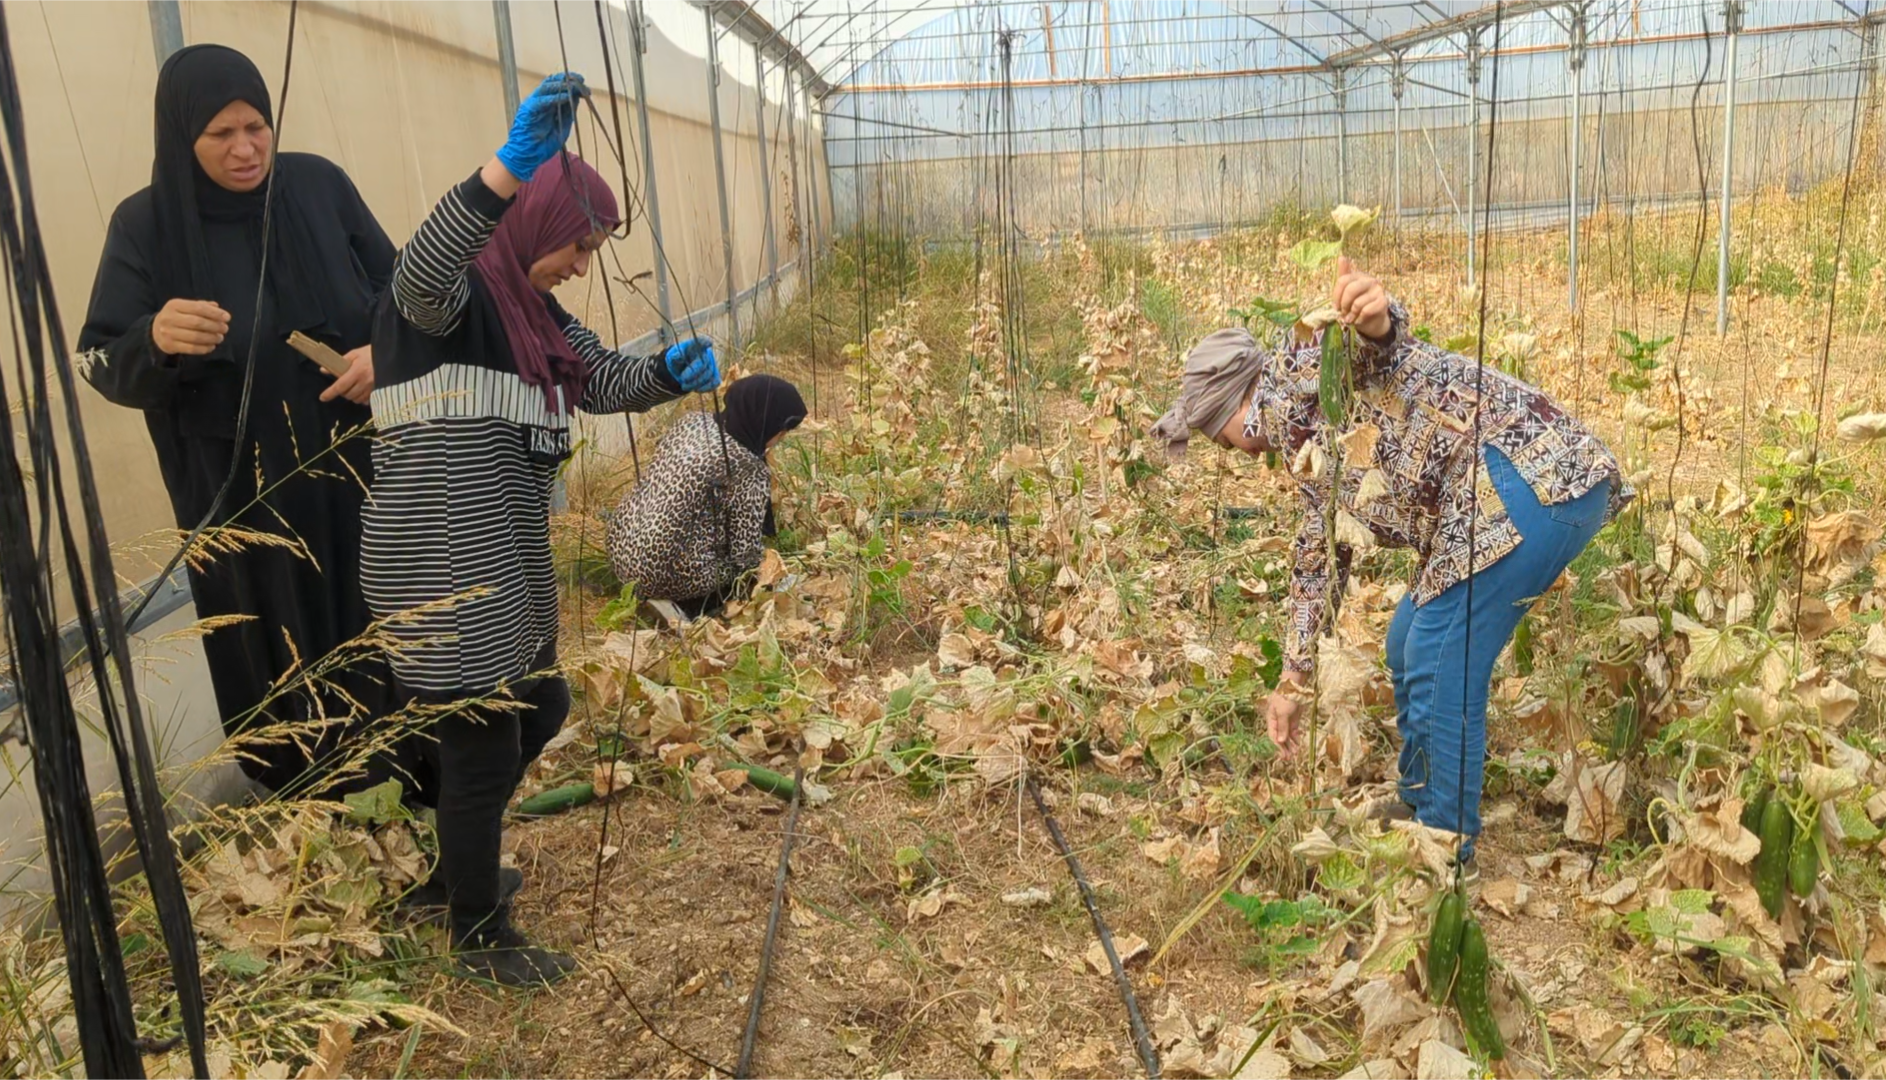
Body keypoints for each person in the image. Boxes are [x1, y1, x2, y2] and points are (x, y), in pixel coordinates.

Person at [362, 72, 718, 986]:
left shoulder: (536, 319)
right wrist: (502, 173)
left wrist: (670, 375)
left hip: (503, 555)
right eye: (578, 243)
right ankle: (478, 931)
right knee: (482, 736)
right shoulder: (447, 305)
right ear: (533, 219)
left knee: (541, 707)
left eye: (594, 249)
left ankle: (455, 867)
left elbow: (601, 381)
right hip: (439, 555)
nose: (580, 265)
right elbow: (420, 267)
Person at [1151, 258, 1631, 867]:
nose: (1237, 452)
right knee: (1408, 639)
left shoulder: (1299, 378)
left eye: (1221, 436)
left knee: (1441, 652)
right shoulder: (1307, 433)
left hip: (1533, 480)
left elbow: (1373, 344)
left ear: (1234, 410)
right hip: (1513, 488)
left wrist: (1375, 317)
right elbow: (1319, 557)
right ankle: (1419, 797)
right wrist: (1293, 677)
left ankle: (1446, 842)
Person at [78, 44, 397, 795]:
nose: (246, 147)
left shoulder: (319, 188)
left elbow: (404, 294)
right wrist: (152, 338)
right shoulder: (146, 227)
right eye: (221, 133)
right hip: (239, 499)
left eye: (257, 125)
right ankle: (309, 815)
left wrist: (380, 351)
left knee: (379, 626)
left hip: (354, 473)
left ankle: (407, 790)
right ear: (181, 136)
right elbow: (97, 358)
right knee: (271, 651)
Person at [607, 374, 806, 620]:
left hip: (623, 551)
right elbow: (745, 555)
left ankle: (651, 591)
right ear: (766, 422)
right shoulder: (747, 467)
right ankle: (689, 605)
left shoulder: (692, 422)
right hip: (663, 571)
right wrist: (772, 571)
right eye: (781, 432)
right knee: (741, 568)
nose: (778, 441)